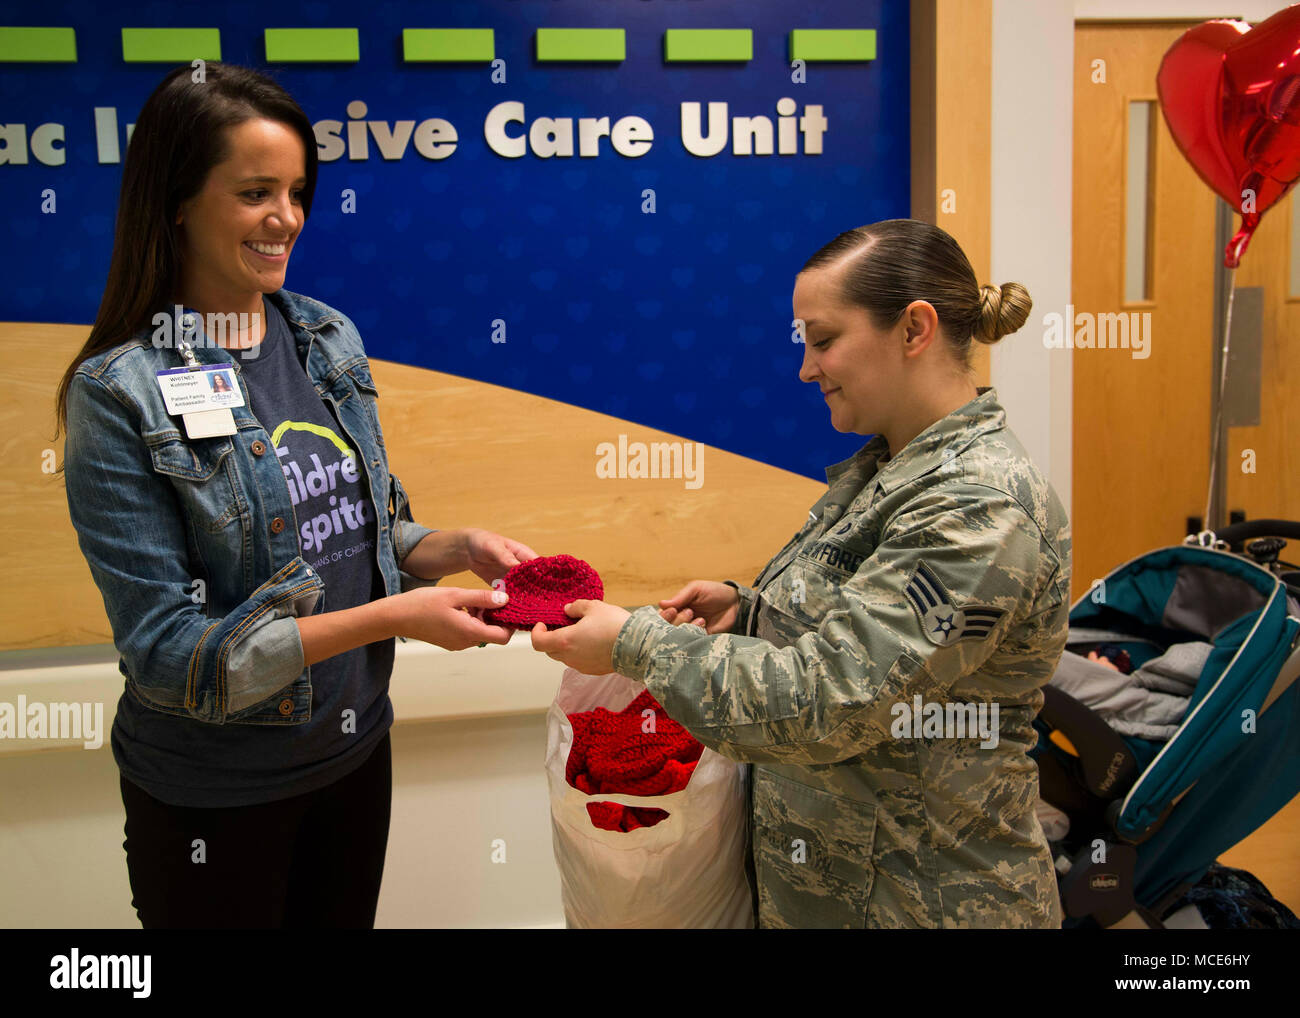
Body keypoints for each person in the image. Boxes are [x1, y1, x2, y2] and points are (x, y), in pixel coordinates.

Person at [53, 62, 533, 929]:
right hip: (215, 799)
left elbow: (366, 531)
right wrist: (392, 620)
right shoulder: (118, 393)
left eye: (297, 191)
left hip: (351, 757)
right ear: (176, 201)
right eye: (254, 193)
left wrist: (456, 547)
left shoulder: (323, 337)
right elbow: (169, 656)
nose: (287, 219)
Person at [533, 219, 1071, 929]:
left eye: (823, 340)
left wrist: (637, 646)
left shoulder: (977, 507)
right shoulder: (891, 470)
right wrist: (748, 610)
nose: (806, 368)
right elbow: (860, 625)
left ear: (914, 329)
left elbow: (835, 700)